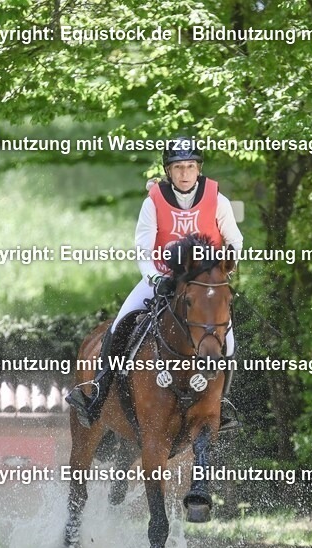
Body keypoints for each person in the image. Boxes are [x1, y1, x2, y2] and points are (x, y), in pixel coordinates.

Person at [66, 137, 243, 430]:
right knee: (120, 324)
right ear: (168, 171)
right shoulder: (154, 201)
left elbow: (235, 240)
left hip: (202, 286)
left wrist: (224, 271)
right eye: (178, 167)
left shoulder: (217, 199)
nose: (184, 173)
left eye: (190, 166)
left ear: (198, 169)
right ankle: (97, 394)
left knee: (230, 341)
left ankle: (220, 405)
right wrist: (155, 278)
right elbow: (143, 249)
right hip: (160, 278)